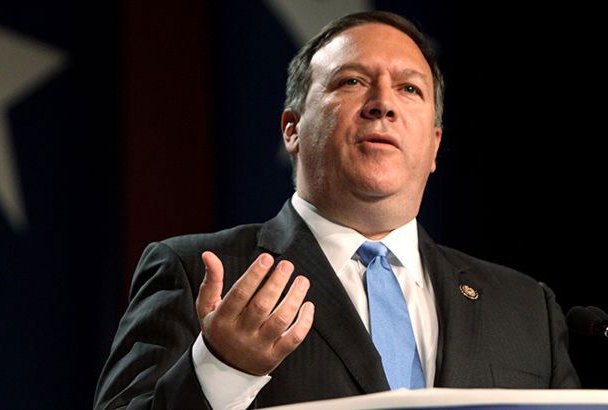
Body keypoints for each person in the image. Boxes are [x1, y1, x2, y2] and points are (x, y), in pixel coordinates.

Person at [94, 10, 580, 410]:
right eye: (352, 81)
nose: (383, 104)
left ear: (434, 145)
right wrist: (222, 368)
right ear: (292, 129)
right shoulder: (197, 274)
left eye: (409, 89)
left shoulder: (525, 309)